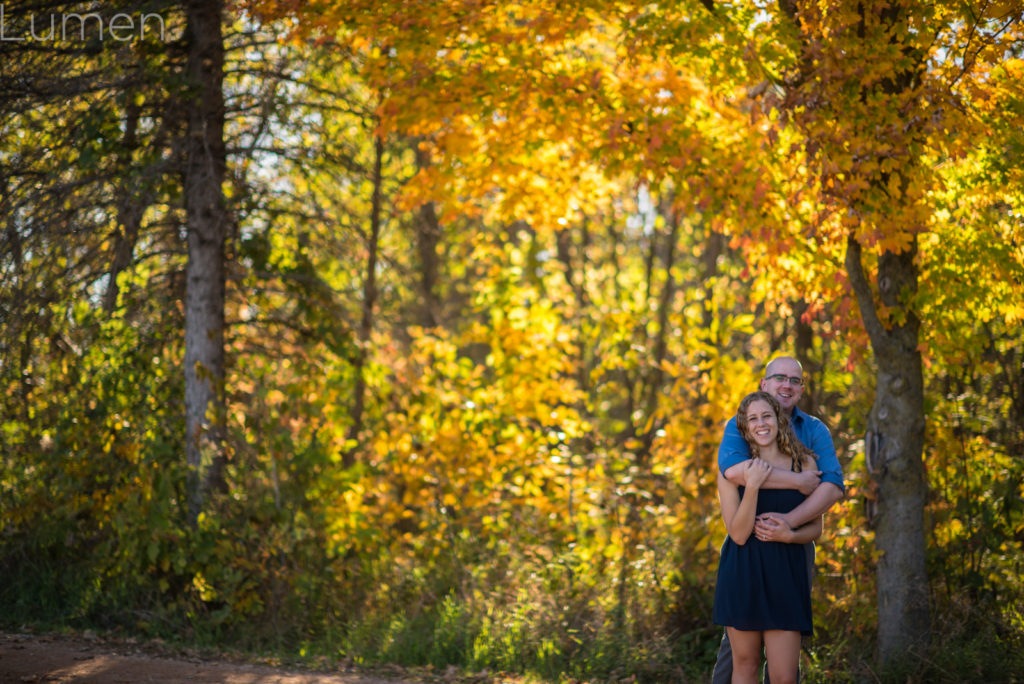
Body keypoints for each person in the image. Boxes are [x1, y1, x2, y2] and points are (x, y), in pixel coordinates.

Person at [711, 356, 845, 684]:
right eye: (779, 378)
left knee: (785, 672)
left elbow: (832, 486)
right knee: (741, 659)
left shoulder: (812, 436)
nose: (786, 385)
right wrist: (793, 481)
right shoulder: (735, 429)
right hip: (744, 565)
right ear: (765, 384)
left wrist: (789, 527)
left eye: (794, 380)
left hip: (789, 561)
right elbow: (733, 473)